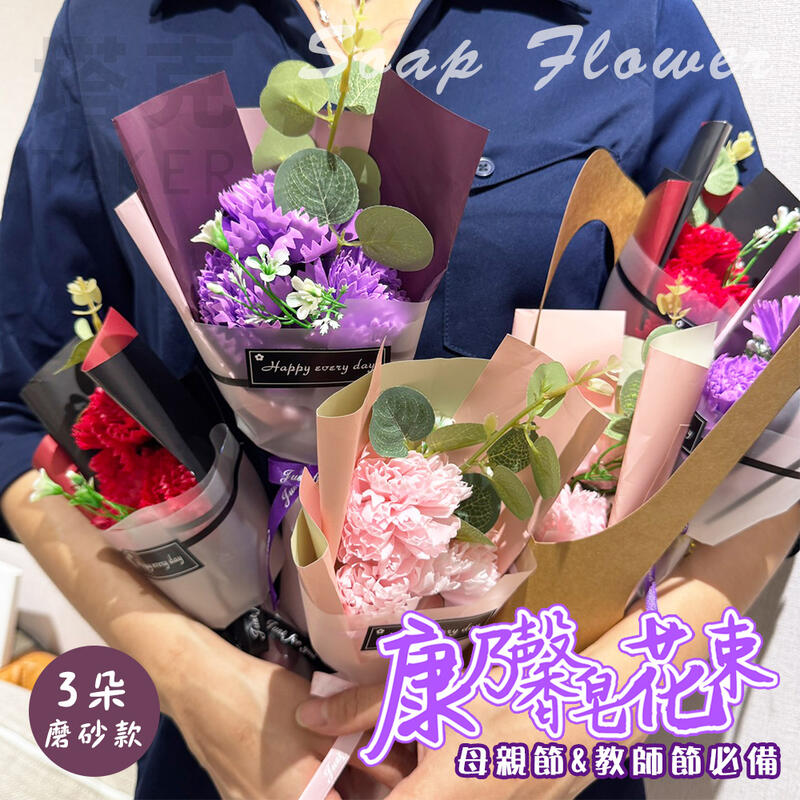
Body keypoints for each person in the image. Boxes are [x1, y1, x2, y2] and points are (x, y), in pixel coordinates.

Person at [1, 1, 797, 798]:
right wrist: (191, 679)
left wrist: (571, 724)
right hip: (237, 762)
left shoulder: (631, 19)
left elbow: (762, 440)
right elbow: (17, 411)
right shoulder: (111, 24)